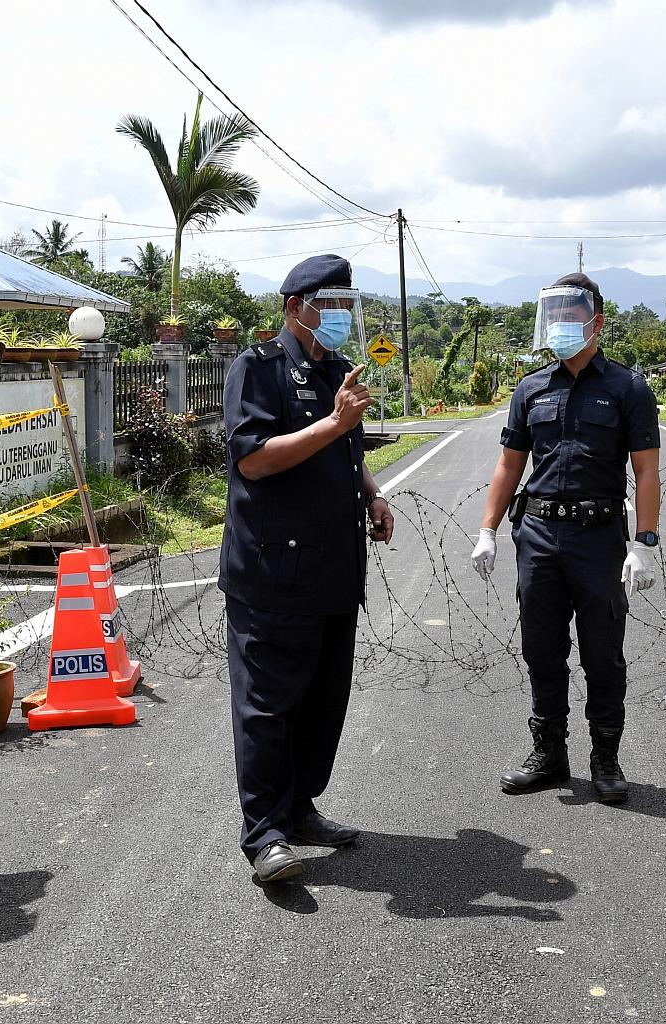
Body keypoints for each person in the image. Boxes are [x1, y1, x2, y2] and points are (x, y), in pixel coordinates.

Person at [219, 254, 395, 884]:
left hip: (332, 572)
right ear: (297, 309)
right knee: (268, 707)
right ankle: (264, 833)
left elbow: (346, 454)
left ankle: (298, 807)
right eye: (333, 307)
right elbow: (255, 461)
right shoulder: (257, 369)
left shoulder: (339, 372)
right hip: (272, 575)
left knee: (323, 701)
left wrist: (372, 492)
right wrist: (334, 422)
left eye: (349, 307)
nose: (344, 319)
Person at [470, 273, 661, 804]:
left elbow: (646, 470)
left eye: (572, 315)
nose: (561, 326)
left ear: (596, 321)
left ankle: (606, 758)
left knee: (603, 652)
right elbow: (510, 464)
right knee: (541, 649)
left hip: (598, 538)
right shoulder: (531, 388)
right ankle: (550, 753)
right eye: (554, 316)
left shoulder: (627, 388)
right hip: (537, 536)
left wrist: (643, 541)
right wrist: (488, 529)